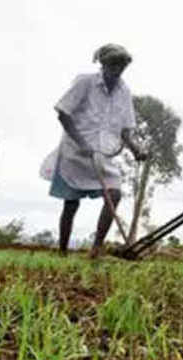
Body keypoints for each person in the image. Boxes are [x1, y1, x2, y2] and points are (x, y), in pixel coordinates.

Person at [47, 43, 148, 258]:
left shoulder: (124, 91)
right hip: (75, 151)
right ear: (103, 64)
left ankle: (96, 248)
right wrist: (82, 143)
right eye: (114, 64)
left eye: (122, 65)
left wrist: (136, 149)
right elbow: (63, 113)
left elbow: (125, 131)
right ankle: (62, 251)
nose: (118, 69)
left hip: (102, 154)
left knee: (115, 193)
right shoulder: (86, 82)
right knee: (71, 203)